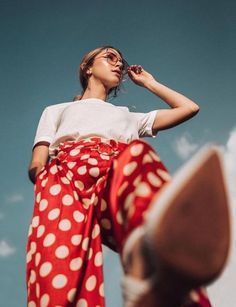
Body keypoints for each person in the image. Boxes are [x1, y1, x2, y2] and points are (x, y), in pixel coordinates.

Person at [26, 45, 230, 307]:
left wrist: (150, 83)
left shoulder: (129, 117)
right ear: (87, 67)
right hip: (64, 177)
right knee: (57, 269)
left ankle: (155, 272)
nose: (118, 65)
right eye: (109, 57)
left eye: (121, 62)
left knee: (139, 158)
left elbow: (189, 108)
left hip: (115, 168)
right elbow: (38, 159)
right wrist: (44, 181)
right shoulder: (56, 110)